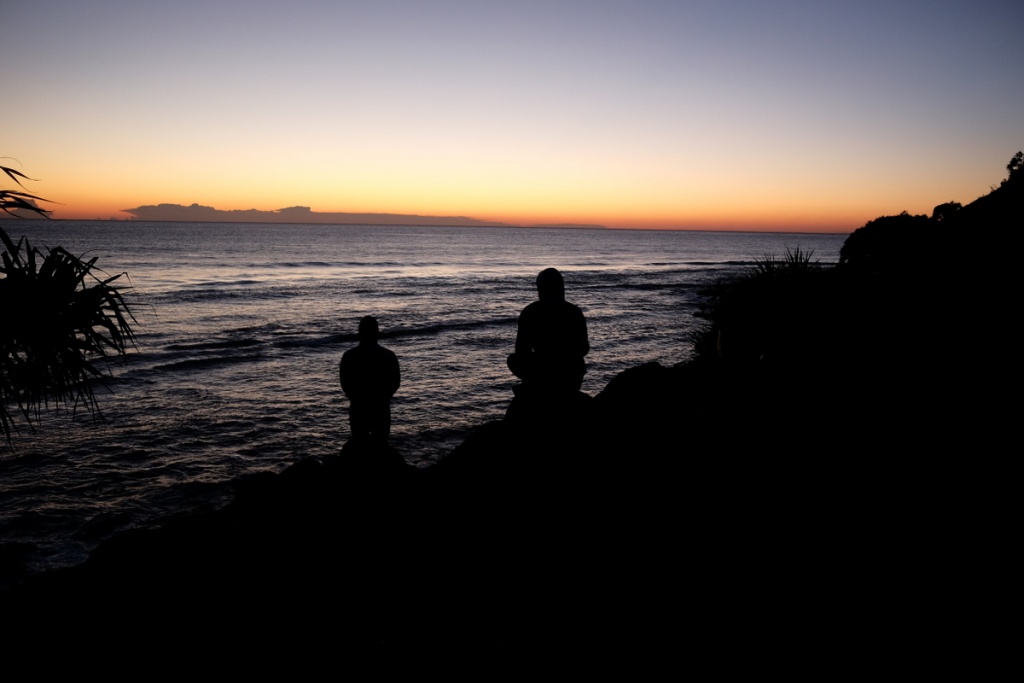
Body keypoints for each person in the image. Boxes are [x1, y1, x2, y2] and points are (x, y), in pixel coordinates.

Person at [507, 268, 589, 394]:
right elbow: (584, 348)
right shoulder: (574, 311)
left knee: (514, 360)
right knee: (514, 360)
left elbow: (521, 350)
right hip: (569, 372)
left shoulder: (530, 312)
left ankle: (535, 384)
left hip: (560, 371)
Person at [339, 316, 401, 445]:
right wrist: (383, 397)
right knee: (380, 447)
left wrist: (357, 398)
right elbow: (395, 382)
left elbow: (344, 383)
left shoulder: (349, 356)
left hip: (359, 408)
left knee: (360, 446)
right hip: (381, 408)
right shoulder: (388, 355)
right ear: (377, 332)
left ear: (359, 332)